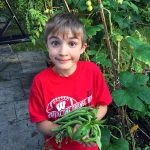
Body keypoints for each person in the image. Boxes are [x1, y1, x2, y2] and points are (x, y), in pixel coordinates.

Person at [28, 12, 112, 150]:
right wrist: (69, 131)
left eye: (72, 43)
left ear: (82, 48)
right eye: (55, 43)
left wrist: (85, 127)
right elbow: (41, 122)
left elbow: (103, 105)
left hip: (87, 144)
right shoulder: (40, 82)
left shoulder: (92, 71)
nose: (63, 51)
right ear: (47, 45)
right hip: (57, 146)